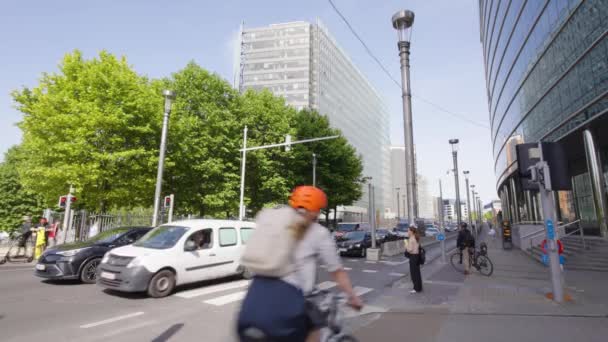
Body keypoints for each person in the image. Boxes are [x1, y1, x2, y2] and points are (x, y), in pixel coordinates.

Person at [237, 186, 362, 342]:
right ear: (316, 210)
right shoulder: (318, 232)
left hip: (252, 304)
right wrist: (353, 297)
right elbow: (337, 272)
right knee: (315, 326)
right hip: (287, 310)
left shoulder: (271, 225)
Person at [406, 224, 423, 293]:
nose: (407, 232)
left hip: (413, 257)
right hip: (417, 257)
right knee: (417, 273)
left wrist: (406, 245)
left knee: (414, 274)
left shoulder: (411, 239)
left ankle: (416, 288)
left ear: (411, 231)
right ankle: (419, 287)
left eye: (408, 231)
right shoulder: (416, 237)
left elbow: (409, 250)